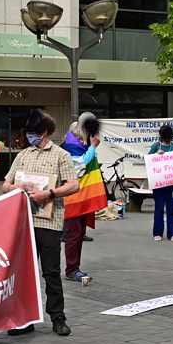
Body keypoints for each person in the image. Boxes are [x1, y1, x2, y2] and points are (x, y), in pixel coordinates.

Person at [3, 110, 79, 337]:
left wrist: (50, 194)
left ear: (44, 131)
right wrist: (14, 188)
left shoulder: (61, 155)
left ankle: (58, 318)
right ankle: (25, 320)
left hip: (50, 223)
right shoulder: (23, 155)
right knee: (25, 273)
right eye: (28, 133)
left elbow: (74, 185)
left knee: (51, 273)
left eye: (33, 133)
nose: (29, 137)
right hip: (24, 223)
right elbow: (5, 184)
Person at [62, 112, 99, 283]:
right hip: (73, 198)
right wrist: (92, 148)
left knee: (78, 233)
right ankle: (72, 269)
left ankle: (74, 268)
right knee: (74, 234)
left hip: (81, 197)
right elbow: (79, 168)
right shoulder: (72, 145)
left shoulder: (76, 143)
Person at [148, 124, 173, 241]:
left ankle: (172, 233)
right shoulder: (156, 147)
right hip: (159, 184)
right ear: (161, 136)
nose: (168, 139)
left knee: (171, 209)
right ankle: (158, 233)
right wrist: (156, 155)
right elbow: (149, 162)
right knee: (159, 208)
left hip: (171, 184)